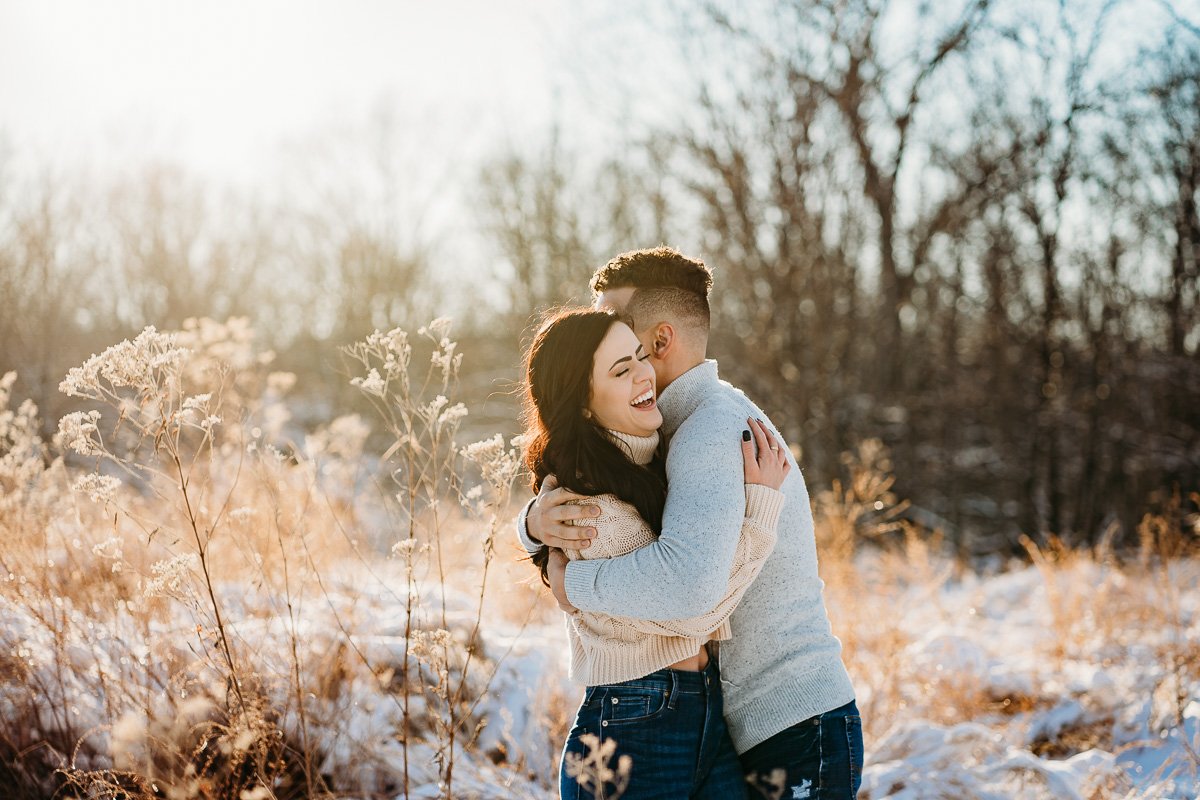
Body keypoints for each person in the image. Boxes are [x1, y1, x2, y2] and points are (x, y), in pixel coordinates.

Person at [518, 247, 863, 800]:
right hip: (745, 719)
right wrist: (534, 525)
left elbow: (688, 588)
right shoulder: (672, 430)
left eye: (622, 335)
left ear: (658, 341)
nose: (601, 334)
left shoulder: (706, 431)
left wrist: (573, 585)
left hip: (789, 723)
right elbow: (594, 496)